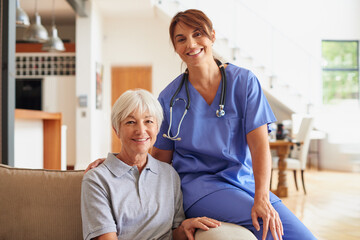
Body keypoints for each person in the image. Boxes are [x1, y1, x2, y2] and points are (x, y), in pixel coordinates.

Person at [86, 9, 316, 240]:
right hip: (199, 188)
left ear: (212, 36)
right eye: (181, 39)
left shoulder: (244, 83)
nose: (191, 44)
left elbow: (259, 147)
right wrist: (117, 160)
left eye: (198, 34)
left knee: (302, 235)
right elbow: (157, 156)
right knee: (273, 230)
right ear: (175, 47)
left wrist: (262, 197)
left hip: (242, 182)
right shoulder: (169, 97)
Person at [81, 89, 220, 240]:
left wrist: (185, 228)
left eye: (148, 121)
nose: (141, 130)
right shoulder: (96, 179)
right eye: (130, 122)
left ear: (158, 128)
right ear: (117, 130)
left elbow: (172, 233)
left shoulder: (169, 174)